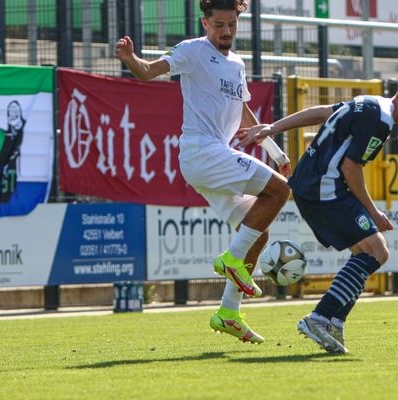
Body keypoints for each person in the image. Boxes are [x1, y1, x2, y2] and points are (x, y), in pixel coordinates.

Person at [115, 0, 291, 344]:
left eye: (231, 25)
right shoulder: (194, 50)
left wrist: (275, 151)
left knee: (258, 230)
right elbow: (149, 71)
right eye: (219, 25)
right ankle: (231, 259)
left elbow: (243, 113)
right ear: (204, 23)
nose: (226, 32)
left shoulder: (237, 63)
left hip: (213, 156)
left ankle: (228, 312)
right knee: (280, 191)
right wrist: (130, 59)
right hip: (202, 152)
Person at [237, 75, 398, 353]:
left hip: (311, 184)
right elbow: (351, 167)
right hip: (325, 187)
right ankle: (321, 318)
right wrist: (373, 212)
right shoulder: (380, 120)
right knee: (376, 251)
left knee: (369, 251)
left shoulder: (368, 103)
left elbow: (322, 112)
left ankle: (334, 321)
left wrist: (273, 127)